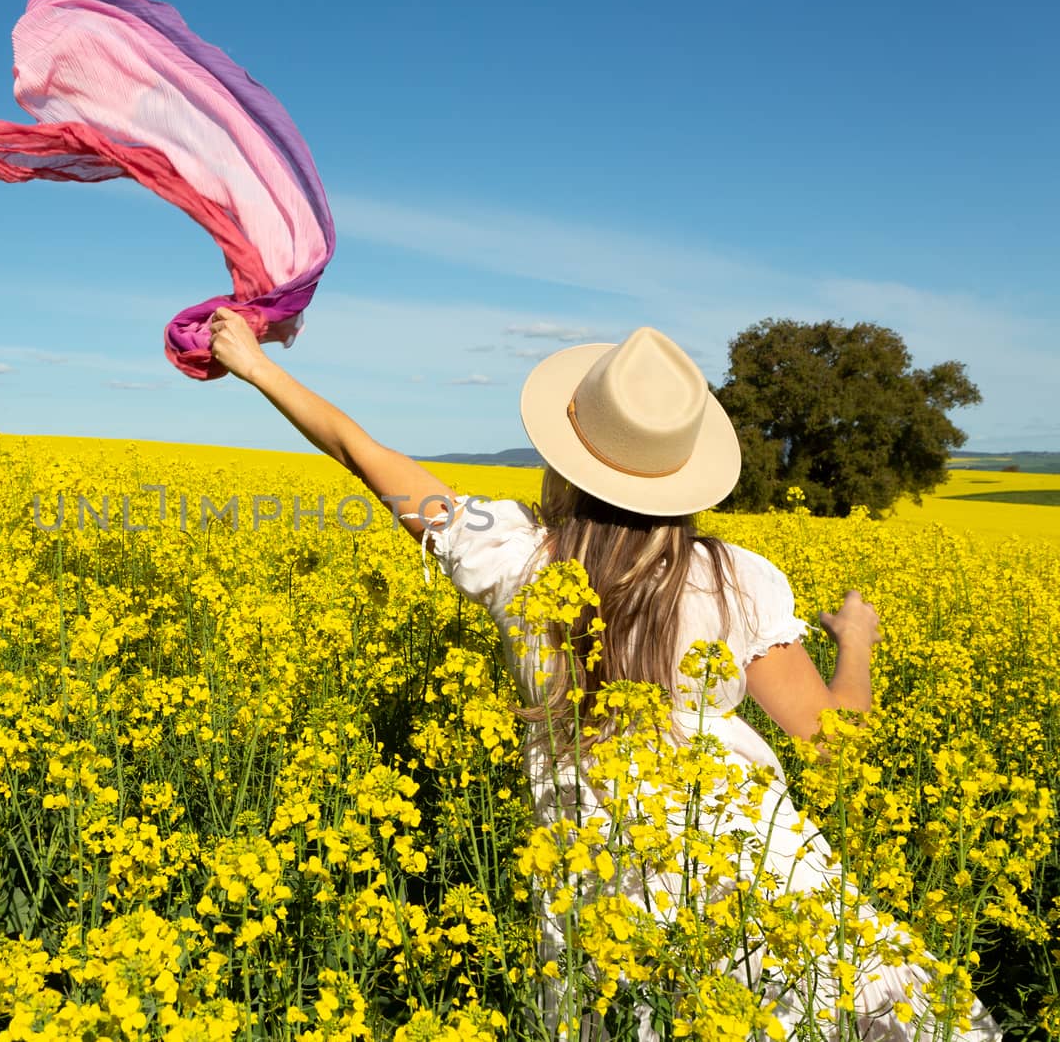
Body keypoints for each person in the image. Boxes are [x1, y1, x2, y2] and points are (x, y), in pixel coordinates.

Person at [208, 310, 1001, 1039]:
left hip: (600, 884)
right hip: (759, 871)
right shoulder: (738, 580)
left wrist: (256, 364)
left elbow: (357, 448)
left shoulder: (512, 553)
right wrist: (854, 639)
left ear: (567, 458)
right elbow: (837, 745)